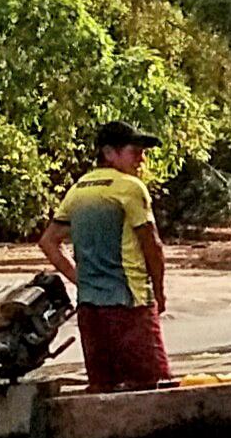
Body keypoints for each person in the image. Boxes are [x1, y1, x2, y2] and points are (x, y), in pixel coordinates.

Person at [38, 120, 173, 392]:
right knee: (154, 384)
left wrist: (82, 280)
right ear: (109, 153)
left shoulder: (79, 189)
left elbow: (48, 241)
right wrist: (158, 293)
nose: (142, 160)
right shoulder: (130, 187)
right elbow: (152, 246)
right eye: (135, 152)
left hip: (90, 309)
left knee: (103, 387)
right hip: (130, 304)